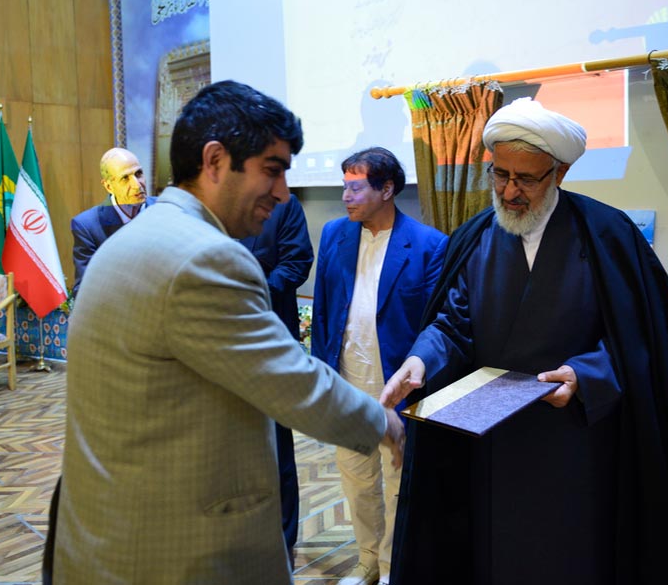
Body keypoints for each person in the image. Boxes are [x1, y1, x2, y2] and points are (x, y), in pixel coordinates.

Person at [51, 80, 405, 585]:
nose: (283, 193)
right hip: (172, 555)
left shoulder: (139, 237)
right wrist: (383, 422)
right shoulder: (206, 257)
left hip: (107, 537)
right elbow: (292, 382)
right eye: (272, 170)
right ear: (215, 161)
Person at [381, 98, 668, 585]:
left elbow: (640, 341)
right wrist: (421, 359)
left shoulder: (608, 235)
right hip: (492, 446)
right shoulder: (476, 236)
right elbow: (452, 324)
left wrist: (585, 375)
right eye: (500, 174)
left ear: (560, 173)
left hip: (575, 442)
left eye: (526, 179)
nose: (509, 191)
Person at [311, 147, 448, 585]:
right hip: (346, 381)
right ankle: (368, 561)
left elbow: (434, 324)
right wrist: (322, 377)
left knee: (397, 481)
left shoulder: (428, 245)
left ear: (387, 189)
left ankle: (392, 568)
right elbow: (323, 309)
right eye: (344, 187)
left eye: (355, 188)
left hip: (397, 386)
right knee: (356, 478)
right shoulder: (334, 234)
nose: (345, 197)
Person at [238, 193, 314, 564]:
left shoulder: (285, 206)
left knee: (276, 445)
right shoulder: (216, 205)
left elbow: (297, 261)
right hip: (219, 345)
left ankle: (283, 541)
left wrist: (251, 295)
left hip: (270, 340)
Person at [70, 147, 154, 293]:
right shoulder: (87, 226)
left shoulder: (166, 208)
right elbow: (83, 290)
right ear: (109, 186)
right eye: (125, 178)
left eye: (138, 174)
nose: (137, 185)